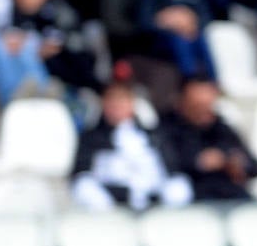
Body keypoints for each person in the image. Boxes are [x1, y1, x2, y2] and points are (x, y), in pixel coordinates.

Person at [70, 80, 192, 211]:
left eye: (121, 100)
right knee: (84, 186)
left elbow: (171, 167)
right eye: (111, 101)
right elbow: (82, 171)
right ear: (103, 104)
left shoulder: (153, 135)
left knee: (180, 186)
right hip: (110, 196)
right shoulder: (91, 137)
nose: (116, 106)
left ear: (132, 103)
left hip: (152, 193)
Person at [162, 76, 257, 202]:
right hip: (193, 200)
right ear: (183, 101)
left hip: (232, 197)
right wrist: (200, 162)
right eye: (197, 106)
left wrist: (238, 163)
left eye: (208, 105)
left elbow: (255, 166)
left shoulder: (222, 128)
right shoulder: (167, 128)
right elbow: (167, 166)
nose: (204, 112)